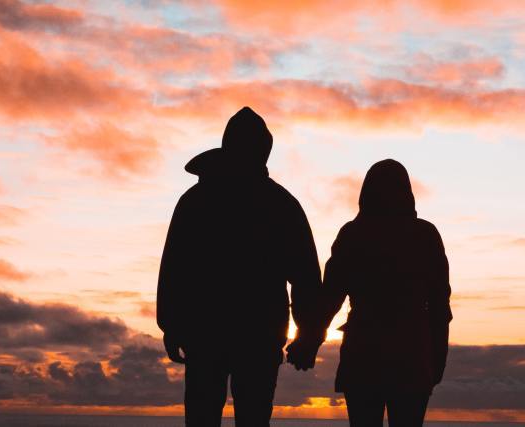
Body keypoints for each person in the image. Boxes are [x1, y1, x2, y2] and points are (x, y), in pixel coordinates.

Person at [157, 107, 323, 426]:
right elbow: (305, 277)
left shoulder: (194, 201)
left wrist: (171, 323)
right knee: (252, 417)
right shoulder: (281, 204)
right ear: (264, 151)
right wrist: (308, 334)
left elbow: (174, 271)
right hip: (256, 333)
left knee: (205, 417)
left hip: (208, 331)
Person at [289, 159, 452, 427]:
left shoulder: (353, 234)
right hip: (412, 358)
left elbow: (329, 299)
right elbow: (439, 308)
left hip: (363, 356)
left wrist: (308, 341)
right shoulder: (426, 235)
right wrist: (436, 362)